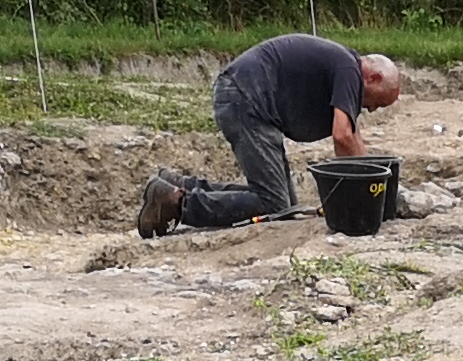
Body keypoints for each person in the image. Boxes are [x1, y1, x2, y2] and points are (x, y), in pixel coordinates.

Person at [141, 36, 403, 235]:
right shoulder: (349, 70)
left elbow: (352, 137)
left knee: (286, 205)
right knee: (275, 205)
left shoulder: (346, 67)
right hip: (247, 100)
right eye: (378, 103)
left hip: (251, 102)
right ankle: (176, 204)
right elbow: (342, 136)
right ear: (373, 78)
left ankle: (177, 185)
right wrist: (360, 194)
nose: (371, 109)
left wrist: (376, 189)